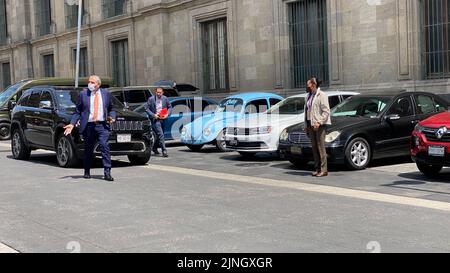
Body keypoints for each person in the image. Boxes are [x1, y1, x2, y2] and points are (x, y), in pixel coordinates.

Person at [64, 75, 116, 181]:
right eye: (89, 82)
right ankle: (87, 170)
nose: (90, 84)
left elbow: (111, 108)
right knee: (88, 150)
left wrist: (112, 117)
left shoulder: (106, 94)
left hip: (102, 125)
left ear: (98, 84)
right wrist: (72, 124)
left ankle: (107, 172)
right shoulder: (83, 94)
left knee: (104, 147)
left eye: (92, 82)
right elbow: (78, 111)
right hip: (89, 126)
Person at [304, 77, 331, 177]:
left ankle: (324, 170)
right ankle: (317, 168)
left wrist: (319, 122)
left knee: (320, 147)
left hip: (319, 125)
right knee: (314, 147)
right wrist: (306, 124)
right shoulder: (308, 96)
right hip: (310, 124)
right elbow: (307, 111)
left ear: (313, 85)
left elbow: (326, 111)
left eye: (308, 85)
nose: (307, 87)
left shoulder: (321, 95)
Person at [145, 87, 173, 158]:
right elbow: (146, 109)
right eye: (157, 92)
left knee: (160, 135)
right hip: (155, 119)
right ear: (155, 92)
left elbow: (170, 107)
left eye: (160, 92)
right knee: (161, 134)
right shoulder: (151, 99)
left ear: (162, 93)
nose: (158, 94)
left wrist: (167, 114)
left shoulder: (165, 98)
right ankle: (164, 150)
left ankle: (154, 148)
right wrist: (153, 115)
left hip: (163, 119)